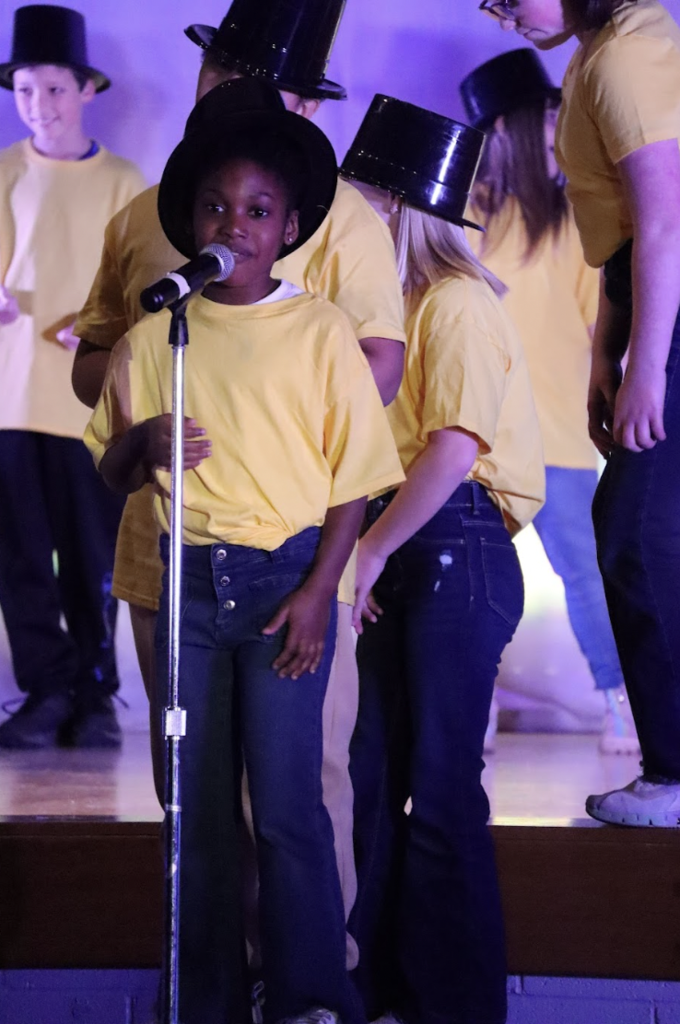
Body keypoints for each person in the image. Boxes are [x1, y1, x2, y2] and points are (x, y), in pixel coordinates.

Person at [71, 0, 405, 955]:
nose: (246, 90)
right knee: (194, 789)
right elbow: (98, 368)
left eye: (276, 85)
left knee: (300, 788)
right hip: (166, 553)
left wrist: (276, 388)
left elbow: (370, 377)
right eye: (229, 68)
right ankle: (213, 975)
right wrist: (151, 398)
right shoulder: (147, 218)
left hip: (290, 552)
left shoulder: (343, 228)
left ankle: (308, 978)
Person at [340, 96, 545, 1024]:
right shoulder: (391, 313)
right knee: (378, 775)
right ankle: (382, 987)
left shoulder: (457, 303)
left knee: (441, 786)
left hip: (452, 542)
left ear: (393, 205)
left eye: (357, 198)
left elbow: (454, 449)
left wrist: (372, 552)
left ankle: (455, 1005)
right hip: (410, 537)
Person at [482, 0, 680, 825]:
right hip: (641, 297)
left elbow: (667, 221)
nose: (499, 14)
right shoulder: (596, 54)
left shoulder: (625, 55)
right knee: (635, 533)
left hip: (665, 306)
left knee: (632, 534)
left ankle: (668, 773)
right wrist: (610, 349)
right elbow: (623, 242)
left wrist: (646, 366)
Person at [460, 48, 638, 755]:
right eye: (548, 115)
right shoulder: (465, 215)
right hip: (475, 438)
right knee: (471, 586)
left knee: (587, 577)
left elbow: (597, 325)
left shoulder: (570, 218)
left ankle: (620, 700)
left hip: (558, 432)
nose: (557, 127)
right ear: (506, 128)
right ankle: (472, 706)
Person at [0, 4, 145, 748]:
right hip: (12, 399)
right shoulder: (5, 174)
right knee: (20, 554)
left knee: (95, 554)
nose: (39, 107)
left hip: (88, 404)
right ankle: (46, 687)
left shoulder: (125, 183)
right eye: (25, 91)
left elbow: (136, 290)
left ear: (87, 90)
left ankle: (94, 687)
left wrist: (92, 325)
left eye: (54, 90)